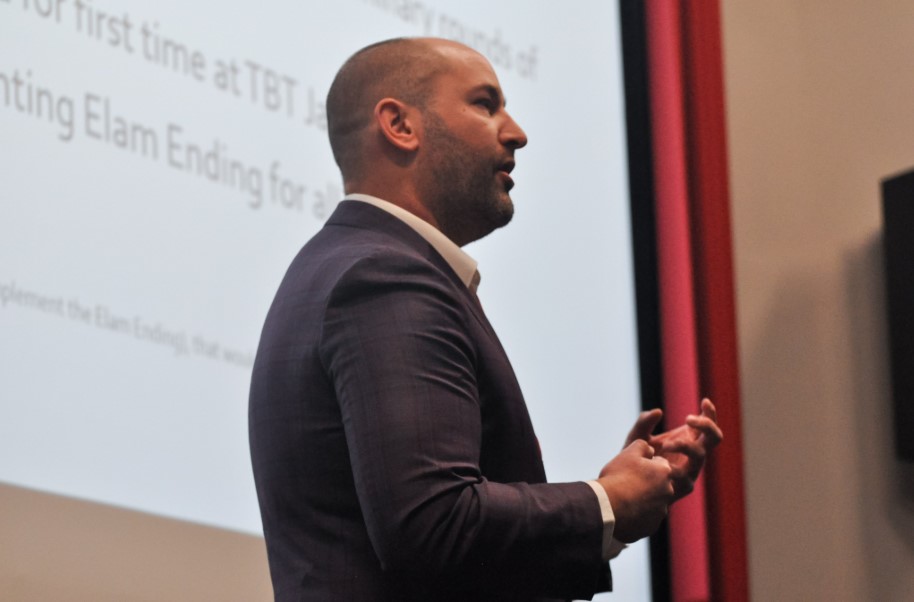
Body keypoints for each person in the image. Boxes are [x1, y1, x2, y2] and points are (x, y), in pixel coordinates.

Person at [248, 37, 722, 601]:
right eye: (485, 103)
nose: (516, 131)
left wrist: (616, 513)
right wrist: (606, 501)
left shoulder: (355, 265)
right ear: (400, 125)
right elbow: (435, 526)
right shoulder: (383, 277)